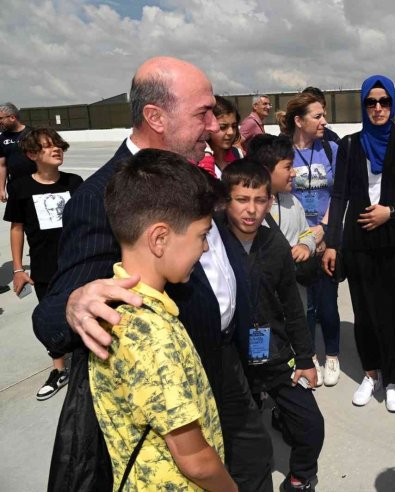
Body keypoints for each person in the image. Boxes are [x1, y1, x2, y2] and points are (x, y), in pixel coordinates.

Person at [32, 57, 273, 492]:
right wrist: (73, 303)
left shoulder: (195, 170)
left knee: (254, 459)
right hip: (173, 388)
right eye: (202, 113)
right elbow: (51, 317)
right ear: (155, 117)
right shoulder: (101, 195)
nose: (214, 126)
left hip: (223, 362)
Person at [90, 149, 236, 491]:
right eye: (202, 235)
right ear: (159, 238)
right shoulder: (148, 333)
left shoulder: (116, 304)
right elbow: (195, 461)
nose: (204, 249)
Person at [322, 74, 395, 412]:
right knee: (366, 313)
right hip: (359, 243)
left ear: (393, 104)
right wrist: (332, 243)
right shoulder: (350, 145)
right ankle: (372, 373)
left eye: (384, 101)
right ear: (363, 105)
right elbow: (339, 194)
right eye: (371, 102)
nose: (378, 108)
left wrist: (392, 211)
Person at [223, 160, 324, 492]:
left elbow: (293, 308)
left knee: (311, 425)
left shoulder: (275, 244)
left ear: (269, 201)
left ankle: (300, 478)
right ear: (226, 200)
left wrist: (306, 359)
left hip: (274, 352)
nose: (251, 210)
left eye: (259, 200)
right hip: (229, 361)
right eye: (241, 199)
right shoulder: (210, 242)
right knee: (245, 446)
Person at [3, 128, 82, 400]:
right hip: (44, 268)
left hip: (77, 265)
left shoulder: (74, 182)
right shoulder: (21, 188)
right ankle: (59, 369)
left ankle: (89, 366)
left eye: (58, 145)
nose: (56, 149)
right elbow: (17, 228)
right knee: (51, 321)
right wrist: (17, 269)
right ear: (32, 154)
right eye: (48, 146)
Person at [277, 92, 342, 387]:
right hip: (295, 239)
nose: (324, 121)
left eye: (323, 114)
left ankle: (332, 355)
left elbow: (341, 194)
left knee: (328, 302)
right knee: (302, 305)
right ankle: (308, 355)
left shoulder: (331, 149)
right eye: (317, 116)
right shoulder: (284, 152)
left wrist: (324, 231)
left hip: (326, 237)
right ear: (299, 121)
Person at [198, 95, 243, 179]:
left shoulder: (238, 155)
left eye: (234, 126)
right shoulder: (197, 158)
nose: (231, 132)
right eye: (223, 127)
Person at [0, 102, 36, 202]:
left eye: (1, 118)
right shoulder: (2, 138)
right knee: (17, 217)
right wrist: (1, 189)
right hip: (15, 186)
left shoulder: (33, 134)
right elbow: (2, 165)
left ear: (12, 117)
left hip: (36, 184)